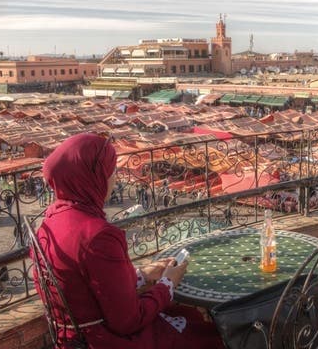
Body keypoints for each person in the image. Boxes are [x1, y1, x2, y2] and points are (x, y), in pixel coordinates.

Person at [32, 133, 223, 348]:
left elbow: (92, 285)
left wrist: (142, 275)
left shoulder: (50, 221)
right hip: (103, 340)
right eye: (111, 170)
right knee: (209, 334)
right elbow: (128, 320)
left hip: (70, 337)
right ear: (92, 177)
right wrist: (168, 283)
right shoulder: (98, 235)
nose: (115, 177)